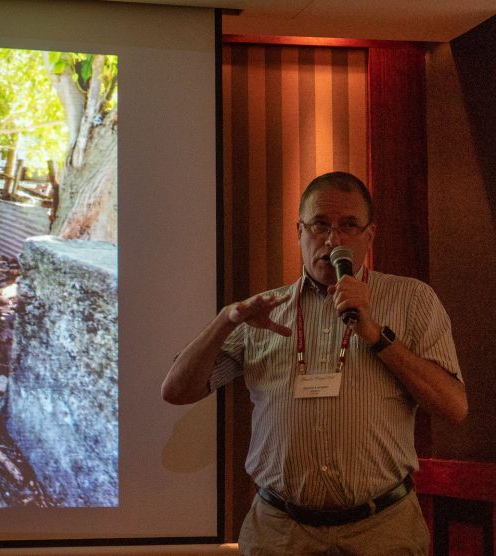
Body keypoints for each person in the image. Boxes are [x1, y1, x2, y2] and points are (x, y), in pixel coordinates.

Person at [161, 171, 468, 555]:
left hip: (382, 531)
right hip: (280, 534)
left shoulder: (412, 299)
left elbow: (453, 406)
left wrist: (375, 334)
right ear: (299, 231)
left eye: (348, 225)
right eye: (320, 224)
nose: (332, 239)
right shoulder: (263, 312)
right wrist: (225, 320)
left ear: (370, 235)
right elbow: (175, 391)